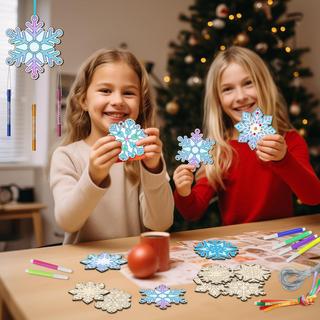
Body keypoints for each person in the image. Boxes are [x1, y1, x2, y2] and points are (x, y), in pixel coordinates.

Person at [173, 46, 320, 225]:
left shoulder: (289, 140)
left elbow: (313, 196)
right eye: (228, 89)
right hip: (239, 246)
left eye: (248, 83)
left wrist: (283, 159)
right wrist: (183, 190)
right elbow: (192, 211)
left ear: (264, 85)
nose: (241, 96)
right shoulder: (217, 149)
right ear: (218, 100)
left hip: (281, 241)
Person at [50, 49, 174, 244]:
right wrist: (94, 176)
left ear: (141, 104)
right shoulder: (66, 156)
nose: (117, 101)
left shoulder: (145, 155)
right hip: (83, 267)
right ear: (83, 100)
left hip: (134, 264)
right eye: (105, 90)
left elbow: (161, 223)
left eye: (128, 93)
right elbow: (67, 222)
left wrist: (154, 169)